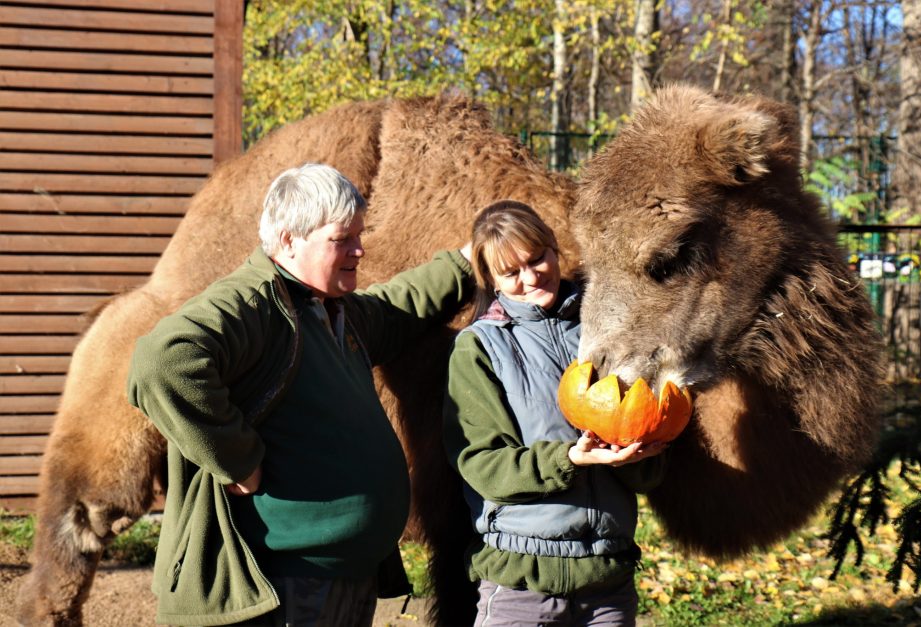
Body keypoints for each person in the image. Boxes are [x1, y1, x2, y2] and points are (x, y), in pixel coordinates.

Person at [127, 163, 473, 626]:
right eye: (341, 240)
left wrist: (466, 262)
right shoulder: (252, 303)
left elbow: (396, 305)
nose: (359, 250)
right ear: (289, 240)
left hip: (342, 575)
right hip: (287, 584)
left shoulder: (331, 308)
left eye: (359, 235)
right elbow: (162, 363)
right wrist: (235, 458)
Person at [442, 200, 668, 626]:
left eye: (537, 258)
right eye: (511, 273)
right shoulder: (480, 348)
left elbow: (647, 453)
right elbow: (482, 465)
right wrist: (569, 459)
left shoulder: (606, 330)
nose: (530, 278)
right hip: (522, 587)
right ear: (490, 280)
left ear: (554, 248)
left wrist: (640, 456)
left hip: (607, 583)